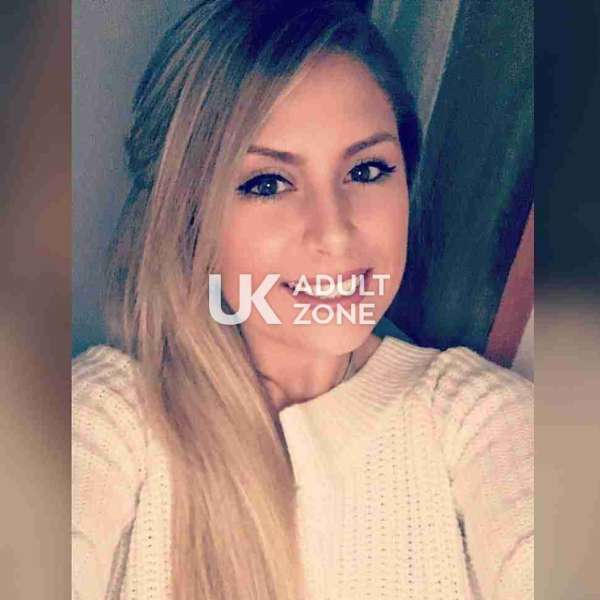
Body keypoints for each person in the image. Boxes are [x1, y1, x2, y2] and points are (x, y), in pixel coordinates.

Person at [72, 1, 533, 599]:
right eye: (267, 183)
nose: (334, 232)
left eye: (366, 170)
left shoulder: (477, 416)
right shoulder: (112, 415)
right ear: (190, 217)